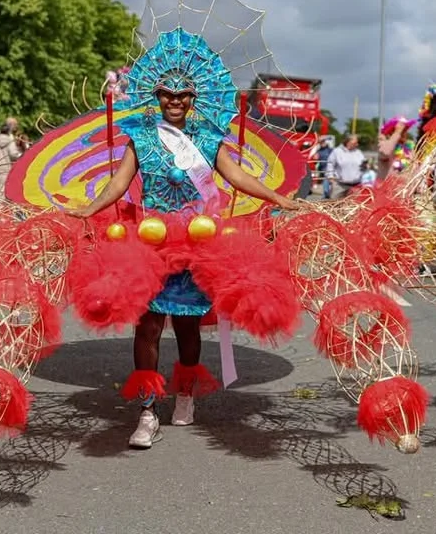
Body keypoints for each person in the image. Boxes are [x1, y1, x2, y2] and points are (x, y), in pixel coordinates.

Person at [67, 69, 299, 449]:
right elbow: (119, 183)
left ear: (193, 99)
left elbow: (237, 176)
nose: (175, 101)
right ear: (157, 97)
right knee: (147, 327)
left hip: (195, 244)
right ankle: (146, 411)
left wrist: (278, 198)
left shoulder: (208, 139)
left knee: (187, 328)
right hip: (151, 245)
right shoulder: (140, 138)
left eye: (183, 95)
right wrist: (91, 208)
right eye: (167, 94)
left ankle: (186, 393)